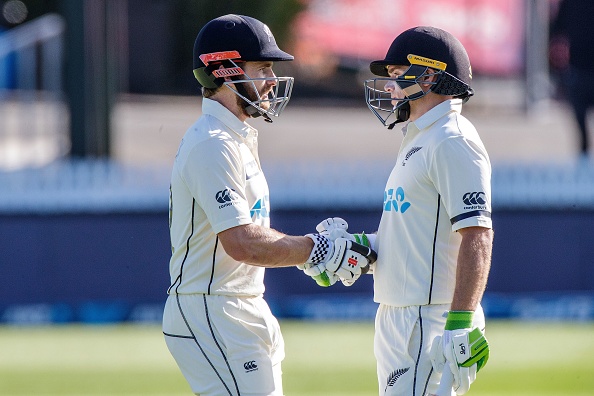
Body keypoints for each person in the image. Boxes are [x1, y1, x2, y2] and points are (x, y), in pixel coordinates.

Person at [161, 14, 374, 396]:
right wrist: (316, 249)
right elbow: (242, 243)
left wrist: (311, 252)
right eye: (262, 68)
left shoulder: (234, 138)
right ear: (225, 71)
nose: (273, 80)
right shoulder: (214, 143)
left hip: (238, 306)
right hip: (214, 309)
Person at [310, 26, 493, 395]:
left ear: (428, 75)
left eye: (396, 76)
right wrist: (359, 248)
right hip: (401, 314)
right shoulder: (420, 137)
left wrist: (460, 320)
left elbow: (477, 233)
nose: (390, 87)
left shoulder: (452, 138)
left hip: (429, 318)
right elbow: (413, 232)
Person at [549, 0, 594, 158]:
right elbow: (556, 31)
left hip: (578, 70)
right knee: (580, 127)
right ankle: (583, 164)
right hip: (578, 70)